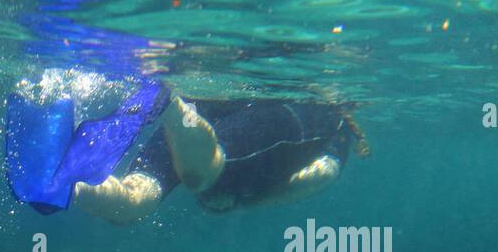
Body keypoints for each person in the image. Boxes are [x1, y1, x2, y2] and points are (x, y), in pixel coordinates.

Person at [72, 95, 369, 224]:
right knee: (204, 174)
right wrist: (246, 203)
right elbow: (323, 175)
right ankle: (169, 106)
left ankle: (74, 182)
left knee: (135, 197)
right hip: (280, 114)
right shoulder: (335, 121)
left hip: (207, 102)